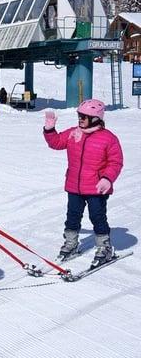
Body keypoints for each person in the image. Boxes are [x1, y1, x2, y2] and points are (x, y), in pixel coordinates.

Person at [43, 99, 123, 268]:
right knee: (72, 216)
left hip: (96, 188)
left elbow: (116, 162)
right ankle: (71, 244)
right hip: (74, 186)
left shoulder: (108, 138)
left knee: (97, 217)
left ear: (95, 118)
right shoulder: (74, 133)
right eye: (79, 115)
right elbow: (56, 142)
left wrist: (107, 179)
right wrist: (50, 130)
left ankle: (105, 248)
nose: (80, 119)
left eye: (84, 116)